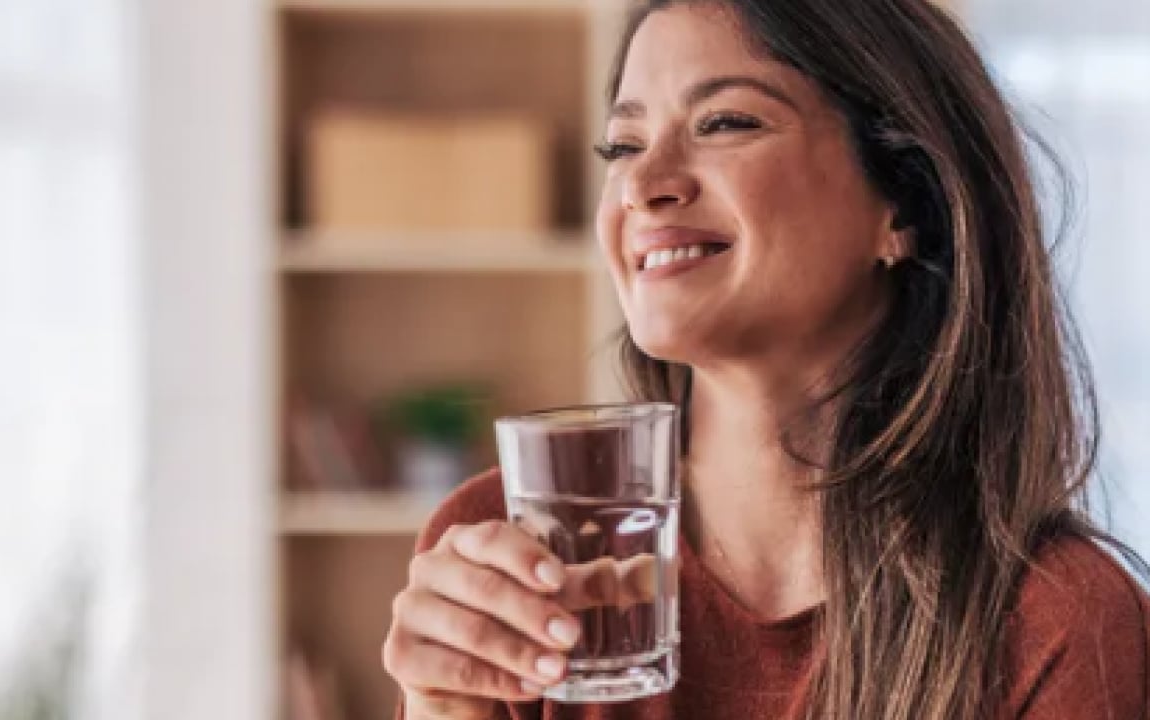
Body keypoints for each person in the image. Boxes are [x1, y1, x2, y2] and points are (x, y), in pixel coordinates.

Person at [382, 0, 1150, 718]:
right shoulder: (500, 550)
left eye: (724, 122)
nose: (643, 186)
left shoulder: (1055, 618)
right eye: (623, 145)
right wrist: (442, 707)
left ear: (906, 206)